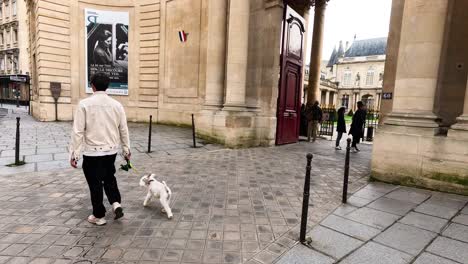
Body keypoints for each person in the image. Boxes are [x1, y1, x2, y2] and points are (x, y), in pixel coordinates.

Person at [69, 73, 131, 226]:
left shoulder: (84, 104)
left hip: (92, 152)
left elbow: (78, 131)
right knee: (109, 178)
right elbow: (124, 129)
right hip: (110, 151)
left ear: (93, 86)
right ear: (107, 86)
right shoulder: (117, 105)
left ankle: (99, 216)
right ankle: (116, 203)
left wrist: (74, 154)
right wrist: (126, 150)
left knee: (95, 183)